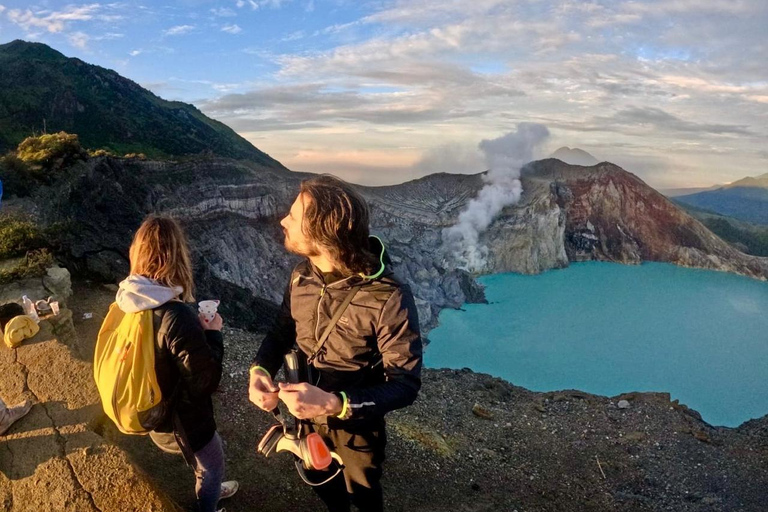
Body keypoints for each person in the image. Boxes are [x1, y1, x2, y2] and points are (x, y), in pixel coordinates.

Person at [248, 175, 423, 512]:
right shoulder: (301, 275)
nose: (283, 220)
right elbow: (282, 330)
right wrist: (260, 371)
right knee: (320, 478)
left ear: (323, 233)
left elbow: (405, 385)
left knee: (364, 495)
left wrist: (332, 403)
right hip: (304, 415)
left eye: (294, 216)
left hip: (356, 428)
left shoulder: (388, 296)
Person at [117, 215, 238, 512]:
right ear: (176, 258)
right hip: (181, 421)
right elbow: (205, 381)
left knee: (205, 461)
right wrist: (213, 335)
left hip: (151, 409)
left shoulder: (129, 299)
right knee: (213, 464)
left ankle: (208, 488)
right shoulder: (176, 315)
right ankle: (207, 502)